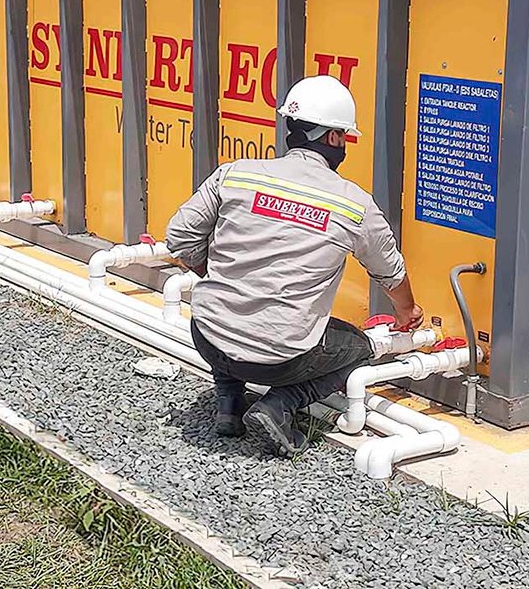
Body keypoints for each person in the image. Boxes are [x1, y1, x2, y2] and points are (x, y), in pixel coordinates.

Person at [164, 74, 420, 456]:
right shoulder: (353, 204)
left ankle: (229, 405)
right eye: (345, 138)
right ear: (333, 138)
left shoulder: (235, 174)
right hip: (279, 360)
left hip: (207, 336)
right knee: (360, 347)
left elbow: (179, 237)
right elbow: (390, 273)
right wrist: (407, 312)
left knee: (232, 314)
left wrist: (216, 275)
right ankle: (279, 406)